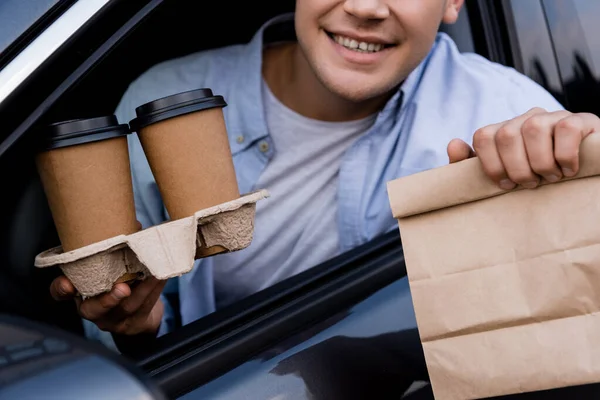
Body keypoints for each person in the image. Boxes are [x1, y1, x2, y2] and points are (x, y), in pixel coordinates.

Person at [50, 0, 600, 344]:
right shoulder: (161, 108)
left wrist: (576, 162)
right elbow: (133, 347)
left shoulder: (506, 110)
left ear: (454, 1)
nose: (365, 6)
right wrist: (134, 328)